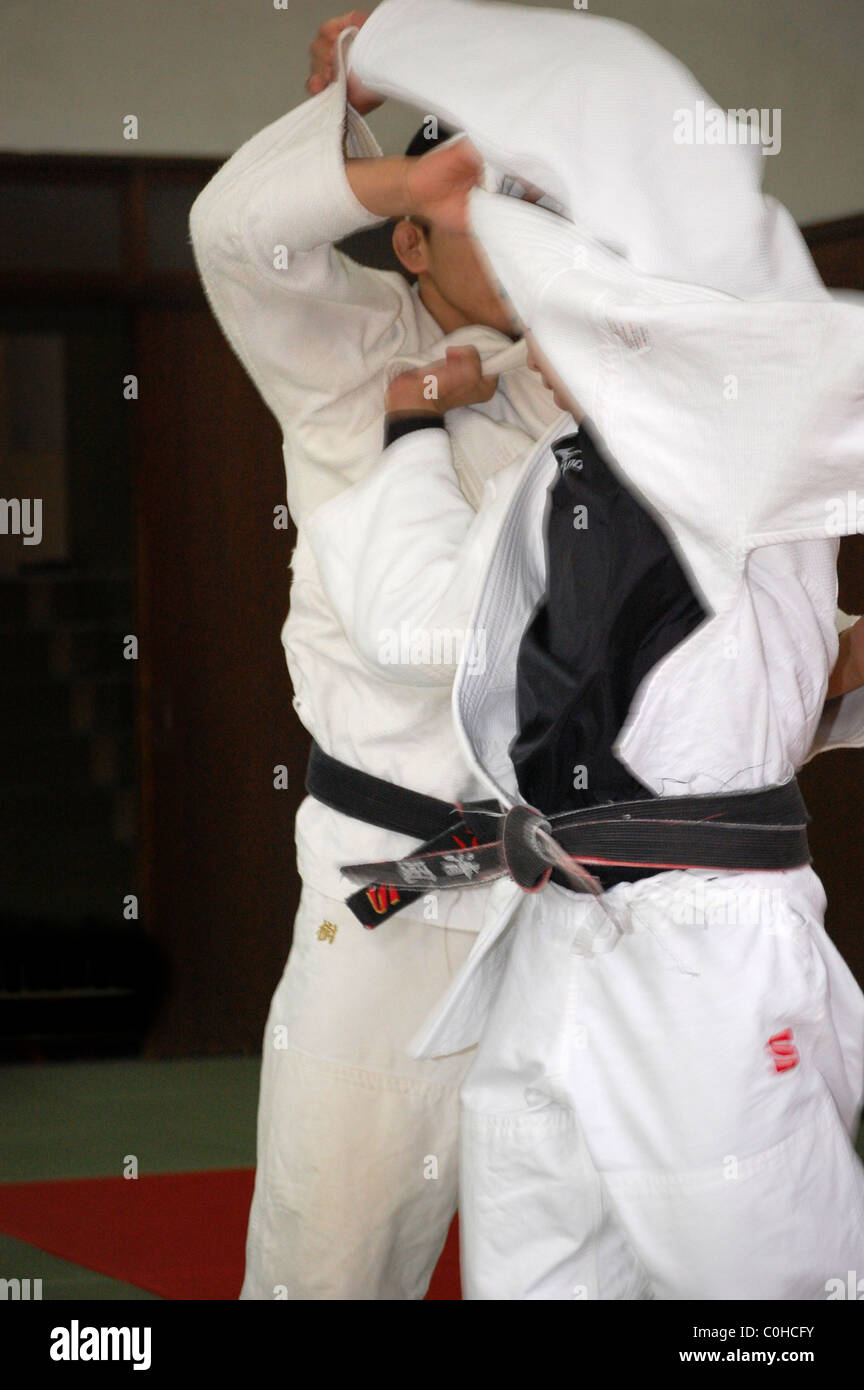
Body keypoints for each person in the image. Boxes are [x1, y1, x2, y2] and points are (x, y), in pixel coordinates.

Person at [330, 0, 864, 1298]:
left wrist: (393, 36)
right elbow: (411, 625)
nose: (526, 302)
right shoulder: (551, 478)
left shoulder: (751, 408)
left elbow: (625, 109)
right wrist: (408, 439)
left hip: (703, 953)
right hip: (552, 938)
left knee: (765, 1304)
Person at [188, 10, 564, 1299]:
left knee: (581, 1262)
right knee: (334, 1263)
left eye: (544, 202)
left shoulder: (597, 393)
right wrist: (396, 157)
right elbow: (234, 236)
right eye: (487, 200)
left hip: (571, 902)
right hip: (390, 895)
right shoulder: (358, 351)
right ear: (409, 241)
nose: (524, 228)